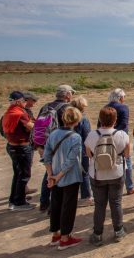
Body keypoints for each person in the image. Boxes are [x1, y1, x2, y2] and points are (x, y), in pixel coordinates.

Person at [85, 106, 129, 246]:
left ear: (100, 119)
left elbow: (88, 154)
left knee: (99, 205)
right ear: (115, 120)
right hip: (116, 173)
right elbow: (127, 155)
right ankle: (118, 231)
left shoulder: (92, 135)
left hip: (97, 174)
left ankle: (97, 234)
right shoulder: (121, 134)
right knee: (116, 203)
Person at [43, 106, 83, 250]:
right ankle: (65, 238)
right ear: (77, 120)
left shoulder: (53, 134)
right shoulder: (75, 137)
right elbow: (71, 161)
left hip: (54, 175)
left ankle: (56, 234)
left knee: (55, 205)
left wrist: (50, 175)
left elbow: (46, 155)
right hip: (70, 177)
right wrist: (58, 176)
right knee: (68, 207)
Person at [37, 84, 74, 212]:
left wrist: (39, 146)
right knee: (61, 174)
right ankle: (55, 206)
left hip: (45, 145)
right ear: (67, 95)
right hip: (60, 145)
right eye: (71, 93)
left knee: (49, 172)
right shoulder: (67, 108)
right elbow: (70, 127)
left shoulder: (46, 106)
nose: (72, 96)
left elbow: (38, 128)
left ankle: (44, 202)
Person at [3, 91, 35, 211]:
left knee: (18, 174)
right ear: (17, 101)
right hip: (21, 147)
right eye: (23, 101)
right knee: (24, 175)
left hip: (12, 145)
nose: (24, 103)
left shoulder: (9, 112)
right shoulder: (19, 113)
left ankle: (14, 199)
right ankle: (19, 203)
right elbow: (30, 127)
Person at [104, 88, 134, 195]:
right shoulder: (123, 107)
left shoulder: (105, 107)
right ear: (120, 97)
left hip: (106, 136)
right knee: (126, 161)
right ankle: (130, 186)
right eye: (124, 97)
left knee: (108, 159)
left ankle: (109, 185)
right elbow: (124, 124)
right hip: (120, 136)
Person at [70, 96, 93, 207]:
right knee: (85, 173)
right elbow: (87, 135)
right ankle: (86, 196)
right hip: (82, 149)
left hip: (69, 148)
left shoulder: (68, 115)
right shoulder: (83, 119)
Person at [22, 91, 39, 197]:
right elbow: (31, 126)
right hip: (25, 143)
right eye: (33, 100)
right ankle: (21, 192)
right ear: (27, 100)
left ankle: (25, 188)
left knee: (26, 166)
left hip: (26, 142)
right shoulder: (24, 112)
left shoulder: (26, 111)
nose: (35, 102)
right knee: (24, 168)